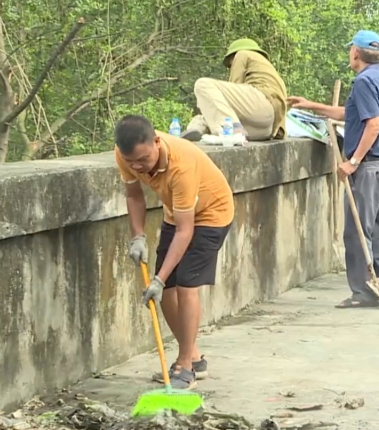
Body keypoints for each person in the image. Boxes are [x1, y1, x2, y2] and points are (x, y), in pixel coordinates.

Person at [114, 116, 234, 388]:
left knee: (185, 284)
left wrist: (159, 278)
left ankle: (186, 367)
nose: (137, 167)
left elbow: (185, 232)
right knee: (166, 289)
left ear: (156, 142)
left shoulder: (181, 165)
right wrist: (138, 237)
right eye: (130, 161)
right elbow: (133, 195)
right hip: (176, 213)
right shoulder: (126, 155)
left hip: (212, 213)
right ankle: (193, 356)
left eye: (143, 160)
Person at [287, 30, 379, 308]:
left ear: (355, 53)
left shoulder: (363, 82)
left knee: (357, 231)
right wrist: (312, 106)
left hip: (370, 168)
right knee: (377, 232)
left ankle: (363, 293)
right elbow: (351, 114)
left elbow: (373, 124)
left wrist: (353, 162)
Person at [182, 39, 288, 142]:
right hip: (268, 128)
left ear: (233, 55)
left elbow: (235, 85)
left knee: (203, 84)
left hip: (261, 106)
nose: (230, 67)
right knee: (211, 113)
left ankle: (230, 130)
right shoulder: (272, 74)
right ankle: (196, 130)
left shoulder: (243, 54)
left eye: (230, 64)